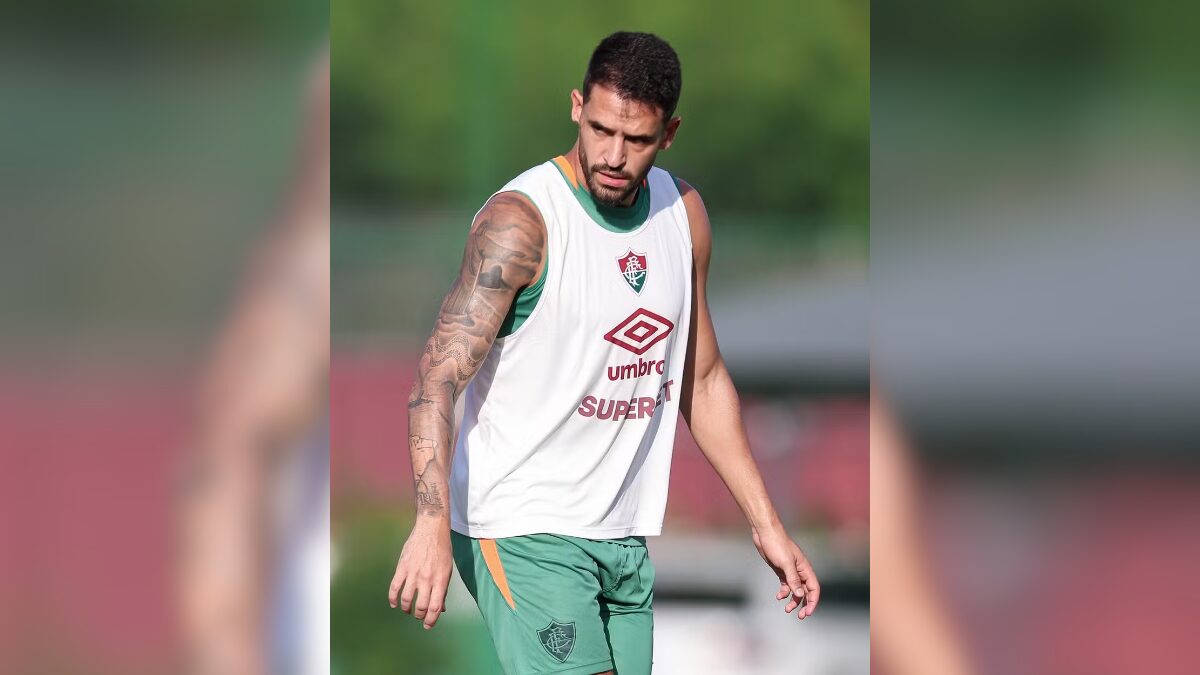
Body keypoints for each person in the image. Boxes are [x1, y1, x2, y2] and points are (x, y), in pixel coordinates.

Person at [388, 31, 818, 675]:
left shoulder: (683, 216)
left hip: (620, 536)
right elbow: (436, 378)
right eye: (600, 129)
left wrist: (767, 525)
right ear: (575, 108)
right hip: (521, 521)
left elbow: (700, 381)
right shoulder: (522, 223)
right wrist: (429, 521)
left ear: (669, 133)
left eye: (637, 139)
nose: (614, 155)